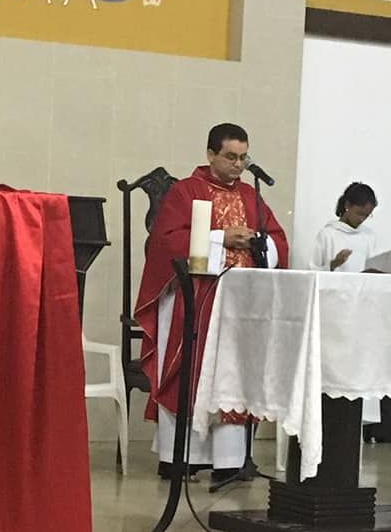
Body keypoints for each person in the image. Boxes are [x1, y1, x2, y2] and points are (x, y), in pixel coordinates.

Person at [135, 122, 289, 482]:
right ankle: (181, 457)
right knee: (191, 371)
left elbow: (279, 241)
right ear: (210, 154)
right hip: (198, 297)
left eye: (243, 157)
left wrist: (258, 242)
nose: (238, 164)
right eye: (230, 156)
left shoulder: (251, 195)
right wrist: (221, 238)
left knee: (235, 373)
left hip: (243, 301)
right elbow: (165, 242)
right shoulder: (186, 191)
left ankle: (230, 460)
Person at [309, 182, 377, 273]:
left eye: (367, 215)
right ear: (347, 205)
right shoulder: (327, 235)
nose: (362, 219)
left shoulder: (369, 236)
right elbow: (311, 272)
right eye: (359, 213)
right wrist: (333, 265)